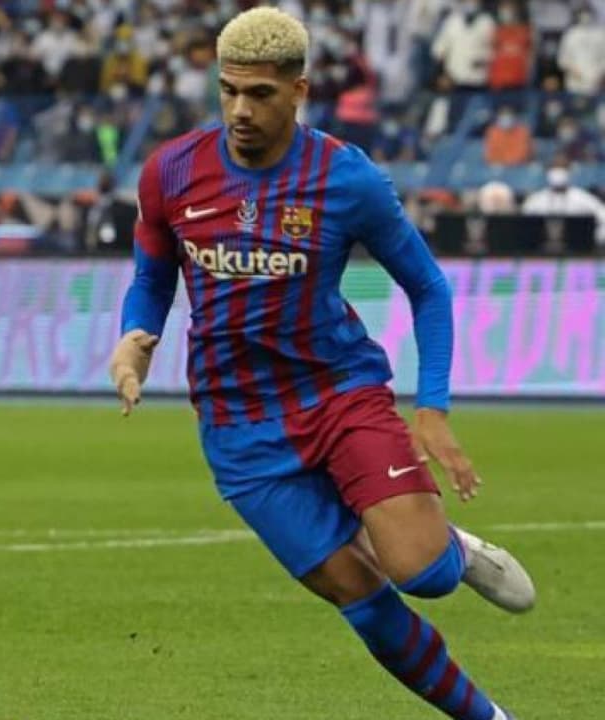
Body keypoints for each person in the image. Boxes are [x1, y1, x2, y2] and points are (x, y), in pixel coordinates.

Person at [108, 9, 532, 719]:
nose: (240, 111)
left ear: (299, 90)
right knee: (360, 597)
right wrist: (134, 335)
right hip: (238, 427)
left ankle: (451, 549)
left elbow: (427, 286)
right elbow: (152, 276)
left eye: (261, 94)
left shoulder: (346, 178)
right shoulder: (171, 171)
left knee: (422, 574)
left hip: (338, 393)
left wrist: (431, 408)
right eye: (228, 91)